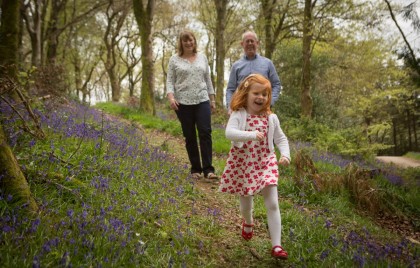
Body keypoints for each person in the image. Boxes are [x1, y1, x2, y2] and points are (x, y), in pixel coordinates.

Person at [219, 74, 290, 259]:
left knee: (273, 203)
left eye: (264, 94)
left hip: (266, 161)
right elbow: (229, 133)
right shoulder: (239, 113)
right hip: (244, 163)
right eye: (256, 93)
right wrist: (250, 134)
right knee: (246, 204)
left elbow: (280, 138)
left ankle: (276, 246)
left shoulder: (271, 118)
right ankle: (248, 221)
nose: (260, 97)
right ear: (246, 93)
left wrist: (285, 154)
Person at [166, 30, 218, 181]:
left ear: (194, 42)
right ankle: (196, 168)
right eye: (185, 40)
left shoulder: (202, 58)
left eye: (191, 40)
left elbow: (208, 79)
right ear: (181, 43)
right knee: (190, 136)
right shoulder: (174, 60)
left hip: (202, 100)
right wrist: (171, 98)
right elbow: (169, 81)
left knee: (205, 132)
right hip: (183, 103)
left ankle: (208, 169)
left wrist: (212, 99)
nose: (189, 43)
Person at [225, 30, 282, 112]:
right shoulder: (236, 66)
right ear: (242, 44)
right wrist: (230, 107)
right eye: (247, 41)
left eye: (252, 41)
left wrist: (270, 102)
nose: (250, 43)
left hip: (262, 110)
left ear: (257, 43)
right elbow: (230, 89)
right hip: (241, 110)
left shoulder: (268, 63)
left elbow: (276, 84)